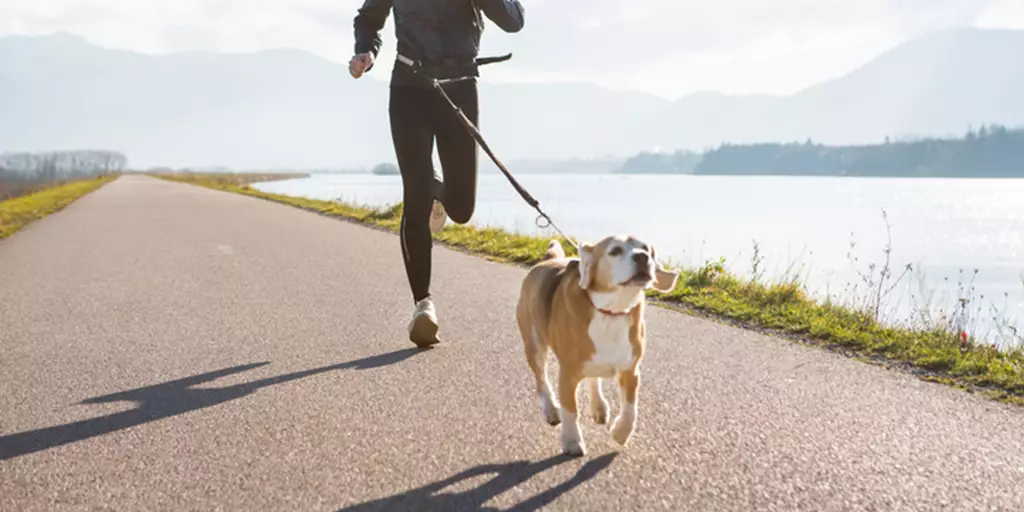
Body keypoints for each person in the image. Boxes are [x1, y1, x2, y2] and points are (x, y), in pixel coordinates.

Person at [349, 0, 526, 348]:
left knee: (462, 209)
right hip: (409, 90)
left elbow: (514, 21)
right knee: (415, 191)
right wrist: (365, 51)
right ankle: (423, 306)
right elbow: (369, 17)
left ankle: (437, 196)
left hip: (459, 86)